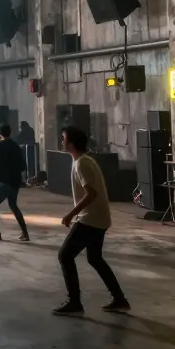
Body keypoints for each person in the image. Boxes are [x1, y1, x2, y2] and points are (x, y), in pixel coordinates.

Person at [54, 126, 129, 316]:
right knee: (94, 258)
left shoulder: (82, 163)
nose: (61, 142)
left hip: (90, 219)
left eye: (63, 139)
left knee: (65, 255)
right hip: (98, 218)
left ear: (71, 143)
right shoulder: (83, 161)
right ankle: (119, 299)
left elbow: (91, 193)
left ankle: (74, 302)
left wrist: (71, 214)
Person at [0, 123, 29, 241]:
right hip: (15, 180)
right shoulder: (15, 145)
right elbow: (21, 164)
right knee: (13, 205)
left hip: (5, 180)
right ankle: (25, 233)